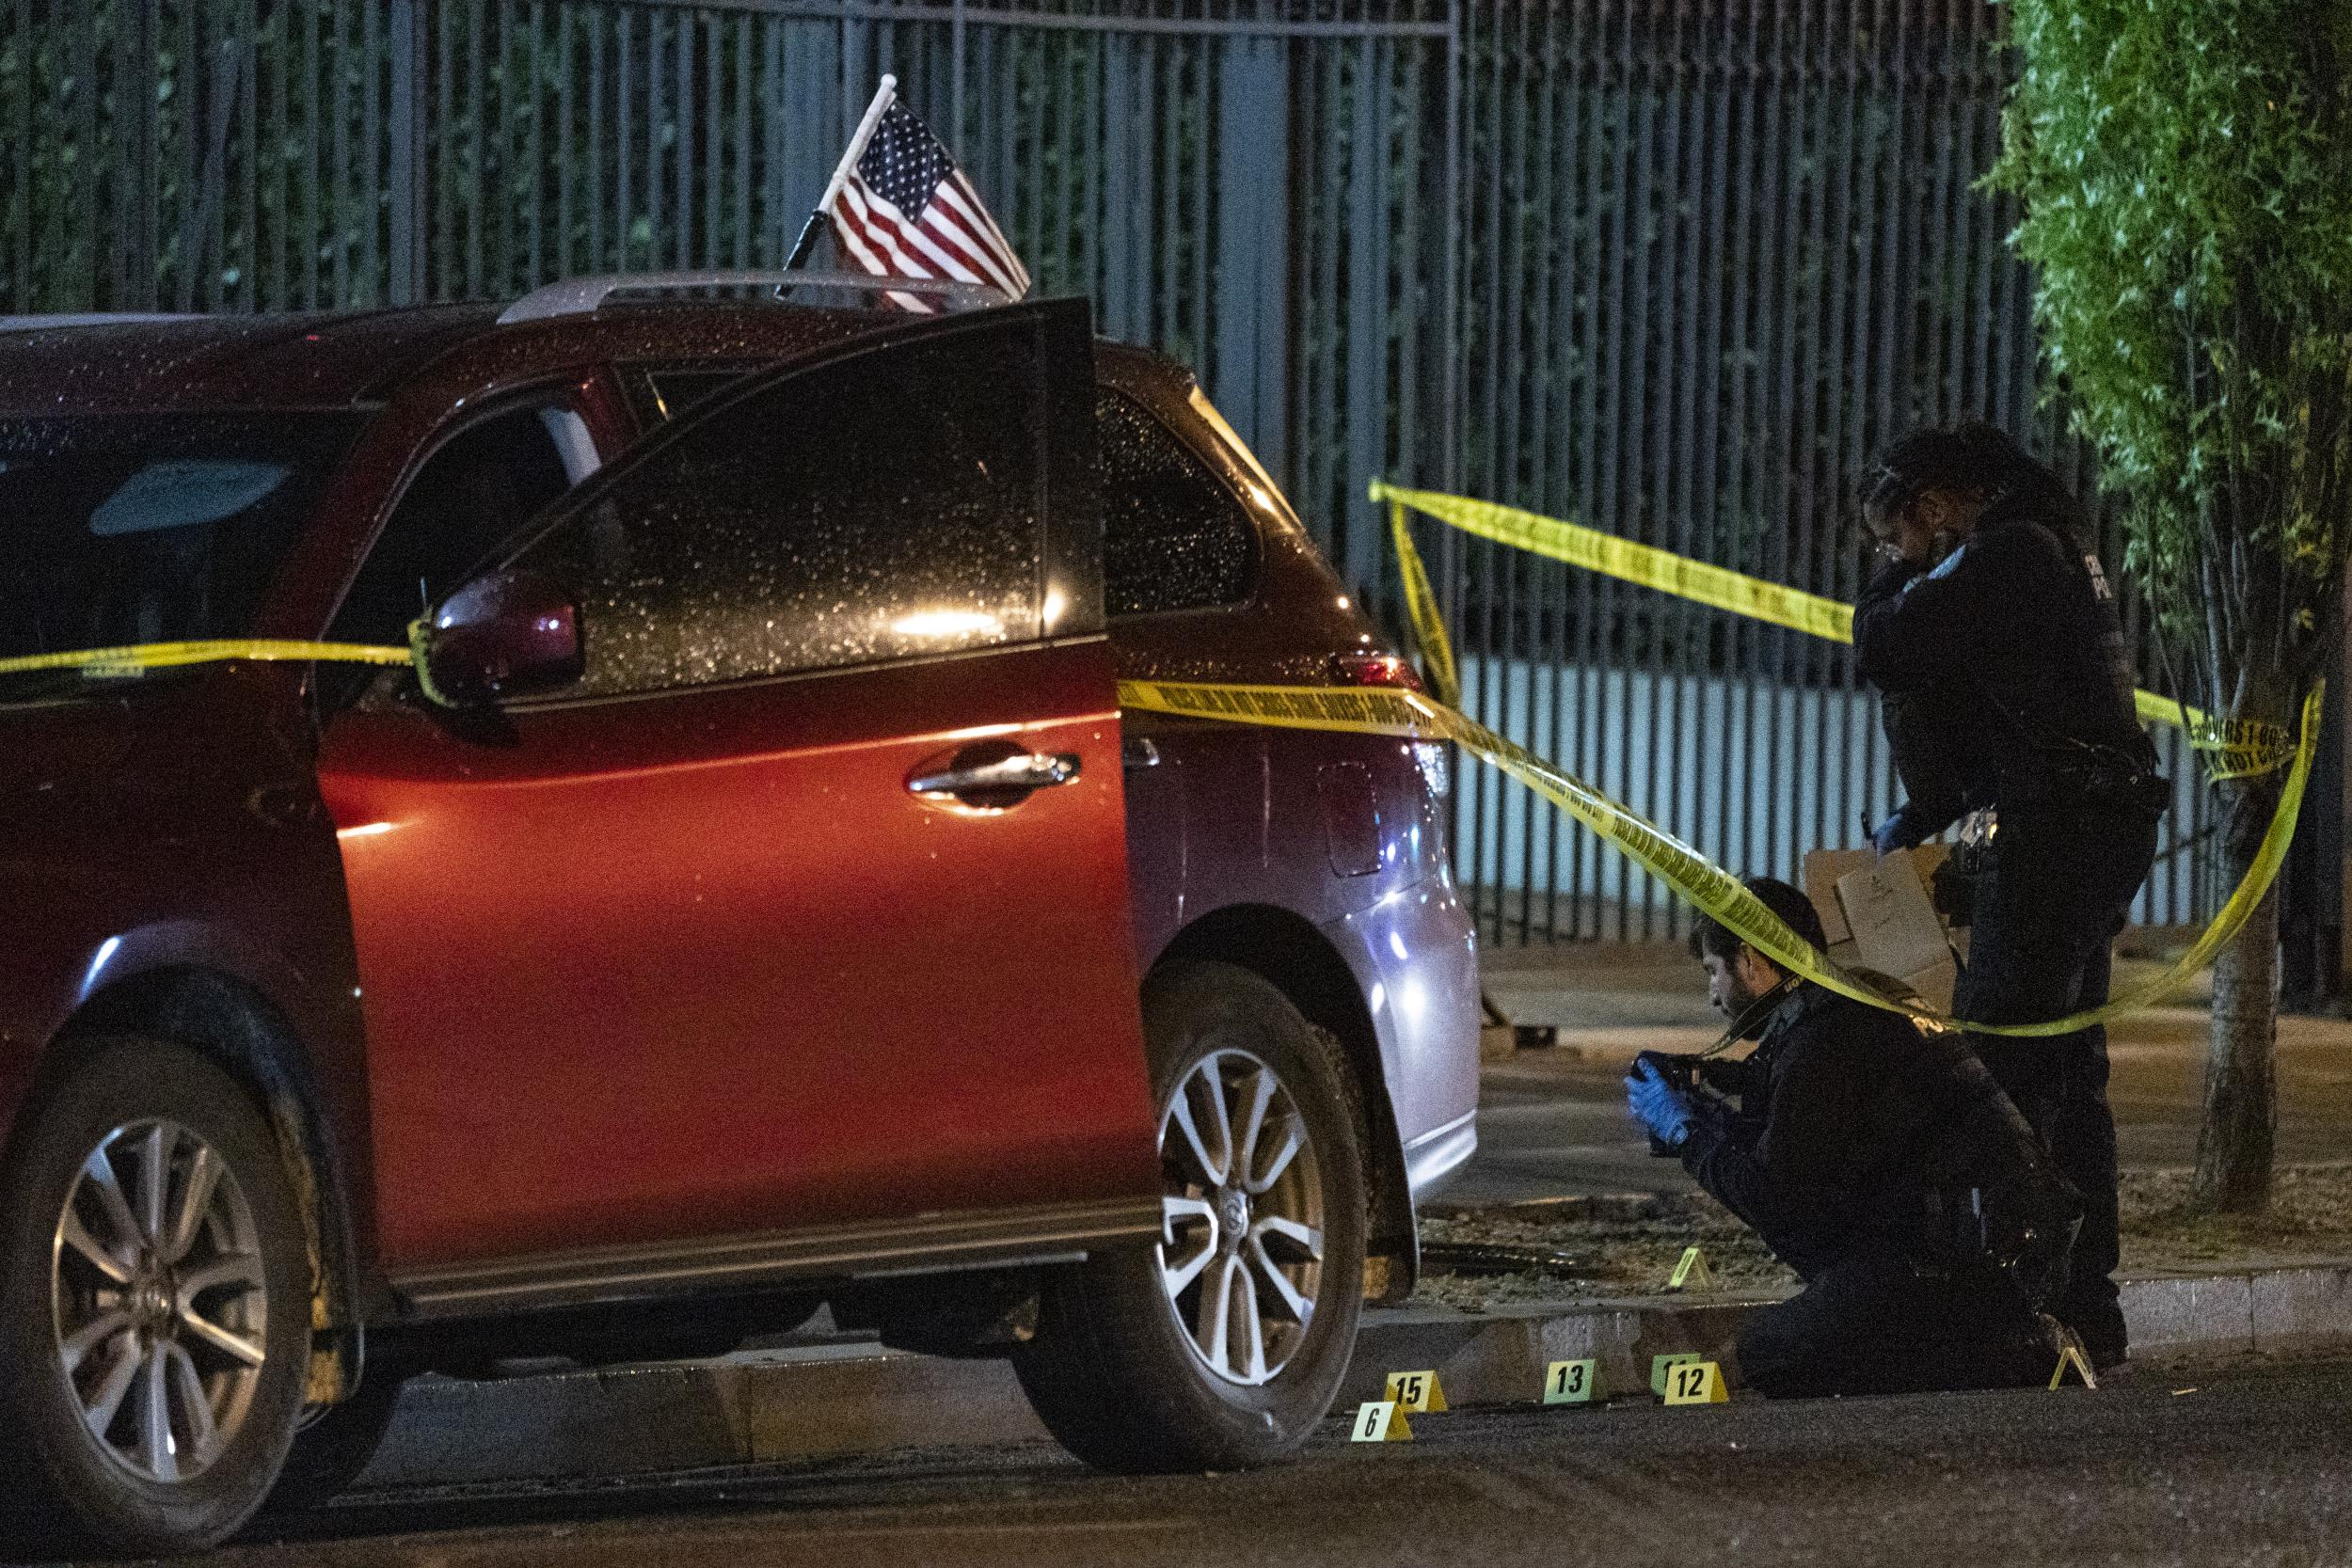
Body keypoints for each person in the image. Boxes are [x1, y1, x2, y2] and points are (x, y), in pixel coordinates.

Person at [1852, 421, 2167, 1370]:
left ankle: (2016, 1300)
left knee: (1999, 1064)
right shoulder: (2045, 547)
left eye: (1893, 537)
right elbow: (1996, 686)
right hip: (2089, 823)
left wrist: (1889, 583)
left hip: (2058, 832)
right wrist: (1932, 808)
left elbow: (1887, 644)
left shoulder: (2004, 553)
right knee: (2067, 1066)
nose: (1892, 559)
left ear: (1937, 508)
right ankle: (2083, 1303)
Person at [1625, 878, 2081, 1398]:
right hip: (1993, 1251)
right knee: (1796, 1336)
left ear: (1750, 960)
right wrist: (1700, 1094)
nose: (1712, 995)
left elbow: (1776, 1196)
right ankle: (1991, 1337)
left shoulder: (1828, 1038)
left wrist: (1686, 1132)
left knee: (1768, 1354)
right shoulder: (1855, 999)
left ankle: (2000, 1348)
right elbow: (1788, 1120)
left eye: (1713, 972)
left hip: (1954, 1268)